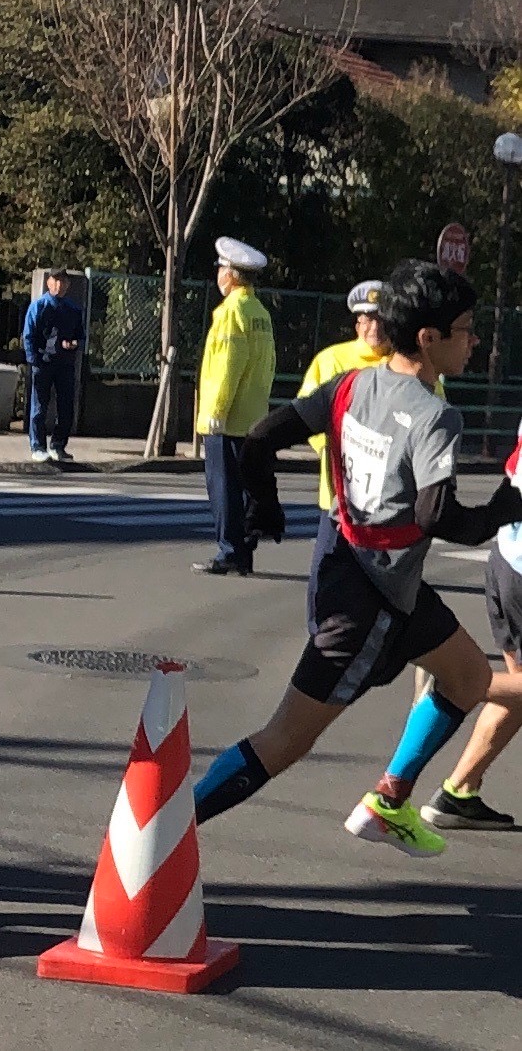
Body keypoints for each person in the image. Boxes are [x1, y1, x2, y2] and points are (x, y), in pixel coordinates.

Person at [193, 259, 522, 856]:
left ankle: (388, 802)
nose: (476, 342)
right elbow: (435, 516)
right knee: (285, 739)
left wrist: (265, 512)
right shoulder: (435, 415)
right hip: (368, 608)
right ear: (429, 338)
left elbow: (264, 436)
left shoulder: (354, 384)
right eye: (468, 329)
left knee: (470, 677)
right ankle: (161, 830)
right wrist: (504, 507)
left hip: (362, 572)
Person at [419, 418, 522, 830]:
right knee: (513, 686)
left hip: (509, 559)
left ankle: (459, 790)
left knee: (519, 690)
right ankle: (463, 682)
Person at [192, 238, 276, 576]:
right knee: (243, 486)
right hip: (253, 414)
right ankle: (243, 551)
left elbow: (227, 366)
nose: (219, 276)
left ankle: (229, 551)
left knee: (223, 487)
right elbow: (267, 364)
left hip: (226, 418)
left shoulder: (230, 314)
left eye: (221, 270)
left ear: (231, 274)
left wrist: (216, 411)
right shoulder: (260, 313)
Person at [298, 280, 391, 513]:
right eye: (368, 320)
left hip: (388, 495)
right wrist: (326, 448)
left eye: (381, 320)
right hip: (338, 492)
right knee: (329, 549)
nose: (374, 328)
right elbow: (305, 412)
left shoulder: (405, 361)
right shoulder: (331, 360)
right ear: (358, 324)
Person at [23, 267, 85, 463]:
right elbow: (29, 335)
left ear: (68, 285)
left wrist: (73, 344)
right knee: (39, 406)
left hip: (65, 364)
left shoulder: (73, 310)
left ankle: (58, 445)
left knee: (66, 406)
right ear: (48, 283)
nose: (59, 285)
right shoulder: (39, 306)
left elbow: (80, 337)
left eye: (63, 281)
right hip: (43, 363)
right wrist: (34, 360)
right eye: (55, 281)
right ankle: (37, 446)